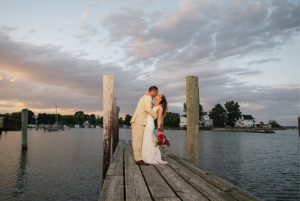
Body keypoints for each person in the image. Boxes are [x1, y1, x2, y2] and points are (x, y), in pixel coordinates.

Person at [130, 86, 158, 165]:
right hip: (138, 120)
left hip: (141, 121)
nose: (157, 93)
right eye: (156, 92)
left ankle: (140, 157)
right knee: (137, 140)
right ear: (153, 91)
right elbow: (149, 109)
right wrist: (154, 116)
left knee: (140, 140)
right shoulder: (148, 97)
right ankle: (138, 159)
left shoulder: (147, 97)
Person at [141, 93, 168, 164]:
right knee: (144, 139)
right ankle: (143, 155)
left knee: (148, 139)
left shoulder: (160, 108)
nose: (157, 94)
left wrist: (159, 131)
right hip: (144, 122)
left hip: (150, 124)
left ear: (160, 99)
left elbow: (159, 119)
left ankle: (149, 156)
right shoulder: (151, 104)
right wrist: (147, 94)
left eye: (159, 95)